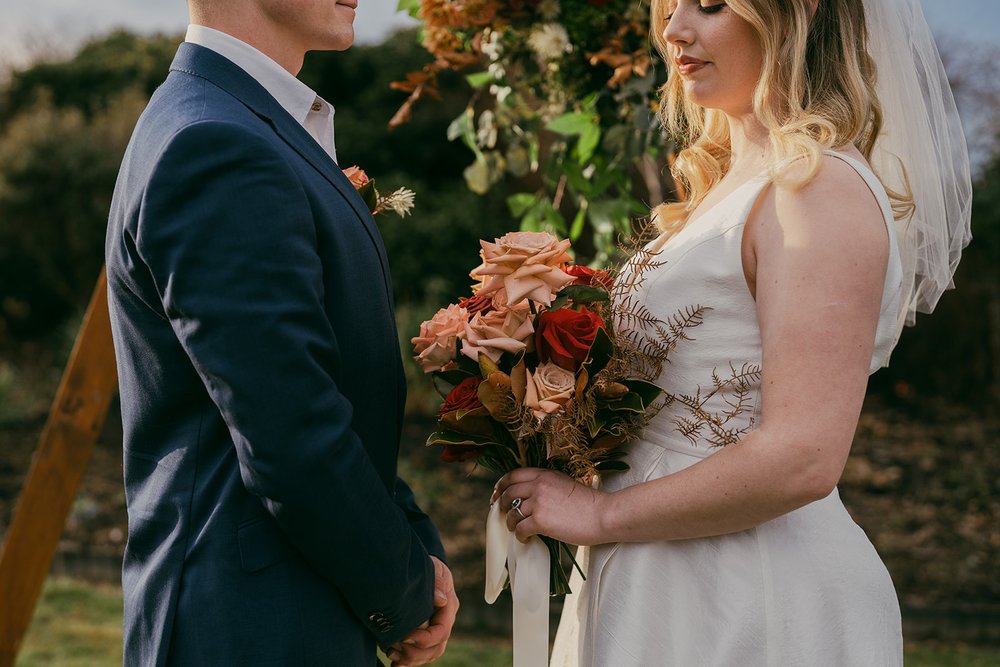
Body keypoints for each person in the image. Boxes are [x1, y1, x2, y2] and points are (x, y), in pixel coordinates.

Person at [493, 0, 971, 664]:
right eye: (671, 5)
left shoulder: (817, 189)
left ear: (793, 15)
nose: (673, 30)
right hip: (657, 564)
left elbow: (804, 454)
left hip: (747, 590)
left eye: (711, 5)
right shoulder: (729, 187)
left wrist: (602, 515)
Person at [105, 1, 458, 664]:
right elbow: (290, 431)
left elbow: (322, 388)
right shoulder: (215, 142)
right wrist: (404, 590)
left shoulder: (228, 119)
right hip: (249, 626)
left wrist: (414, 541)